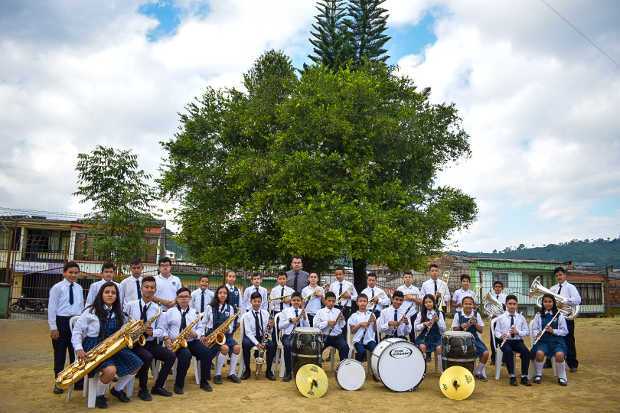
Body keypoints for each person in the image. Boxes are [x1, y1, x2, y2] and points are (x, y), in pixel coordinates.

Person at [72, 281, 143, 408]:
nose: (110, 295)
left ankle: (117, 389)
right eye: (107, 292)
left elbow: (123, 332)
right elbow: (77, 332)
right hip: (94, 346)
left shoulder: (120, 313)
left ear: (117, 296)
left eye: (113, 293)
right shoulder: (90, 311)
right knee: (111, 371)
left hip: (114, 346)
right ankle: (99, 395)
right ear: (101, 294)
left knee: (137, 364)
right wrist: (78, 349)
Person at [126, 276, 176, 400]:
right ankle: (143, 389)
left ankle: (158, 386)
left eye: (152, 287)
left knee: (171, 356)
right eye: (146, 287)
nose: (149, 290)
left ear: (155, 290)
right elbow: (124, 324)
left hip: (150, 342)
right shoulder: (130, 306)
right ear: (141, 288)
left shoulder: (157, 309)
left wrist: (152, 332)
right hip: (134, 344)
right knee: (147, 357)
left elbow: (162, 330)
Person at [162, 287, 213, 393]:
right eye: (181, 297)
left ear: (190, 298)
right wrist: (167, 339)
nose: (184, 299)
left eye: (186, 296)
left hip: (191, 341)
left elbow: (200, 328)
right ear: (177, 298)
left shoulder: (195, 313)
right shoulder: (169, 312)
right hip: (176, 343)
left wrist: (196, 334)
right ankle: (178, 385)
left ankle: (204, 382)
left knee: (206, 353)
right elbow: (163, 328)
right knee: (186, 355)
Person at [49, 261, 84, 394]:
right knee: (59, 355)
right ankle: (59, 382)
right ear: (64, 273)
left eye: (76, 273)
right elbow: (52, 308)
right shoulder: (57, 288)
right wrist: (53, 327)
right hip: (61, 322)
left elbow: (81, 307)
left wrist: (81, 325)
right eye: (70, 272)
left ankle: (77, 381)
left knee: (75, 353)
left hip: (75, 322)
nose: (73, 275)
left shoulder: (79, 288)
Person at [205, 285, 241, 385]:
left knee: (237, 348)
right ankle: (217, 374)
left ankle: (232, 373)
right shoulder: (210, 307)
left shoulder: (230, 308)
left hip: (225, 334)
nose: (222, 295)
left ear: (227, 295)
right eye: (220, 293)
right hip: (212, 335)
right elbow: (204, 323)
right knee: (224, 348)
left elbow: (232, 325)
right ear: (217, 294)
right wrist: (203, 336)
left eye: (225, 293)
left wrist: (227, 329)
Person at [531, 293, 569, 386]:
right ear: (542, 303)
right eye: (545, 302)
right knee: (539, 354)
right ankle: (538, 374)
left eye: (550, 302)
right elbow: (534, 329)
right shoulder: (538, 315)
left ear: (553, 303)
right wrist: (537, 333)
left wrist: (553, 331)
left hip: (557, 342)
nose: (548, 304)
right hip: (543, 341)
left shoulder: (559, 315)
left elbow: (565, 331)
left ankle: (561, 377)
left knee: (560, 355)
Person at [494, 294, 531, 386]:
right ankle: (512, 376)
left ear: (517, 305)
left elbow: (527, 332)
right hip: (505, 341)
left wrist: (517, 332)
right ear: (506, 304)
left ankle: (524, 376)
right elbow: (496, 332)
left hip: (517, 341)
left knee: (526, 352)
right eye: (510, 304)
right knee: (508, 351)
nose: (512, 306)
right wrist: (501, 335)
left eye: (514, 304)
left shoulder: (521, 317)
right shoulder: (501, 318)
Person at [550, 266, 581, 372]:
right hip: (555, 317)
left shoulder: (570, 287)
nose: (559, 277)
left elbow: (577, 300)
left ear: (565, 275)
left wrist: (564, 301)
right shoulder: (553, 288)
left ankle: (572, 364)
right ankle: (550, 361)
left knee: (569, 340)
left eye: (560, 275)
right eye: (557, 275)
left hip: (567, 317)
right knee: (552, 338)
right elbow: (547, 300)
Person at [240, 292, 276, 380]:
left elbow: (268, 330)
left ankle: (268, 371)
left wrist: (271, 327)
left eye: (259, 301)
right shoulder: (246, 315)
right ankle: (247, 370)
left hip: (263, 336)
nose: (257, 303)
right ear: (251, 302)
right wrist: (257, 344)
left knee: (272, 345)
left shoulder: (266, 313)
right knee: (245, 344)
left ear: (261, 302)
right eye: (254, 301)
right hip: (251, 337)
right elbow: (248, 333)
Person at [452, 296, 489, 381]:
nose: (468, 306)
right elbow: (454, 330)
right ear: (462, 305)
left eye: (470, 304)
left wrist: (475, 324)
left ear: (473, 305)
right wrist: (461, 327)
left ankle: (478, 371)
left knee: (485, 353)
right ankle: (460, 371)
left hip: (473, 338)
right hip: (460, 339)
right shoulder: (458, 315)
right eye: (466, 304)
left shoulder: (476, 314)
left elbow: (481, 330)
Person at [279, 292, 310, 381]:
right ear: (291, 301)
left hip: (300, 336)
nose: (296, 302)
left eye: (298, 300)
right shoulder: (285, 311)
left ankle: (302, 371)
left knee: (308, 347)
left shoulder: (303, 311)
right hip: (288, 335)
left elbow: (307, 327)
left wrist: (304, 318)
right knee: (288, 346)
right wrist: (290, 321)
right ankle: (288, 372)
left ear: (301, 302)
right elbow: (280, 326)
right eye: (294, 300)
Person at [313, 291, 349, 362]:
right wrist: (327, 323)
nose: (331, 303)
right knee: (316, 349)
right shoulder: (320, 312)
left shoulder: (338, 311)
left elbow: (342, 325)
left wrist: (342, 319)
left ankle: (342, 367)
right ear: (325, 301)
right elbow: (315, 326)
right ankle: (317, 366)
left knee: (345, 347)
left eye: (333, 301)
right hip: (324, 336)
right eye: (329, 301)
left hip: (337, 336)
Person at [414, 294, 446, 363]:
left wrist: (438, 321)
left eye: (430, 302)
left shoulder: (439, 313)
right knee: (422, 346)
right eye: (426, 302)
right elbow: (415, 328)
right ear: (424, 304)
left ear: (434, 303)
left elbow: (443, 329)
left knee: (439, 348)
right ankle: (424, 367)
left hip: (436, 337)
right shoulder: (421, 313)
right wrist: (424, 324)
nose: (428, 304)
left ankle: (441, 369)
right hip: (424, 337)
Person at [347, 294, 377, 362]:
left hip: (369, 340)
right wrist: (360, 325)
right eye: (360, 301)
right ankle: (358, 366)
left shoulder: (371, 315)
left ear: (367, 302)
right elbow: (352, 331)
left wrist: (374, 322)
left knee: (376, 350)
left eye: (364, 301)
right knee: (361, 351)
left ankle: (374, 367)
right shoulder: (354, 316)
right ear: (357, 303)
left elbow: (375, 330)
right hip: (358, 340)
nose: (362, 303)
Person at [489, 280, 507, 364]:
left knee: (501, 339)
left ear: (502, 288)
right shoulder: (490, 296)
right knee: (493, 340)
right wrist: (491, 315)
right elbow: (487, 308)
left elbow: (506, 309)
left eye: (499, 287)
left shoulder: (505, 297)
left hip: (502, 321)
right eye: (496, 287)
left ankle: (503, 359)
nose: (497, 288)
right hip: (493, 320)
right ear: (493, 288)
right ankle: (494, 358)